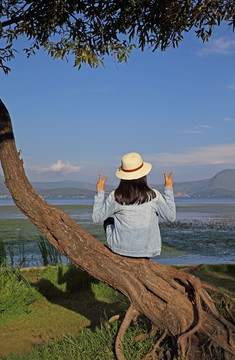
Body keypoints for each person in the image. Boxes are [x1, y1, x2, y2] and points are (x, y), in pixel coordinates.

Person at [92, 152, 176, 258]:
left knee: (108, 221)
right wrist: (168, 189)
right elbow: (171, 217)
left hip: (119, 249)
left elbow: (96, 218)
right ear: (143, 174)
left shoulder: (115, 196)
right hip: (147, 251)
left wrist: (100, 192)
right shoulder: (153, 195)